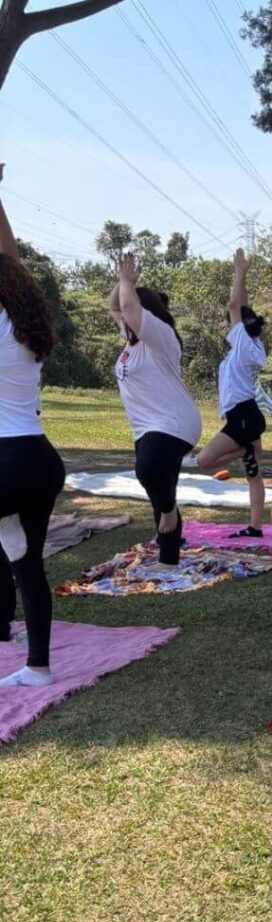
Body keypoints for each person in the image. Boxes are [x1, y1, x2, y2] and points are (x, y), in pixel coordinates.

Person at [0, 163, 67, 688]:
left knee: (18, 552)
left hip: (5, 461)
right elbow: (12, 262)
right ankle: (37, 666)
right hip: (39, 461)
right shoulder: (23, 325)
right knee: (25, 561)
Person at [109, 255, 201, 566]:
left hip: (173, 422)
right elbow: (116, 307)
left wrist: (126, 283)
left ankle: (170, 511)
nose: (122, 315)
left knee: (149, 471)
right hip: (147, 427)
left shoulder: (160, 337)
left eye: (129, 308)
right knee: (158, 489)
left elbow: (131, 309)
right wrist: (126, 285)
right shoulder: (131, 342)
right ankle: (168, 557)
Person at [194, 249, 268, 536]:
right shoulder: (254, 345)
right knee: (254, 476)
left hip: (243, 418)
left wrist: (240, 272)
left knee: (203, 461)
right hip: (248, 416)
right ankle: (255, 526)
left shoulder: (240, 341)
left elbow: (235, 303)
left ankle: (244, 448)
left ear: (238, 326)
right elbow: (242, 307)